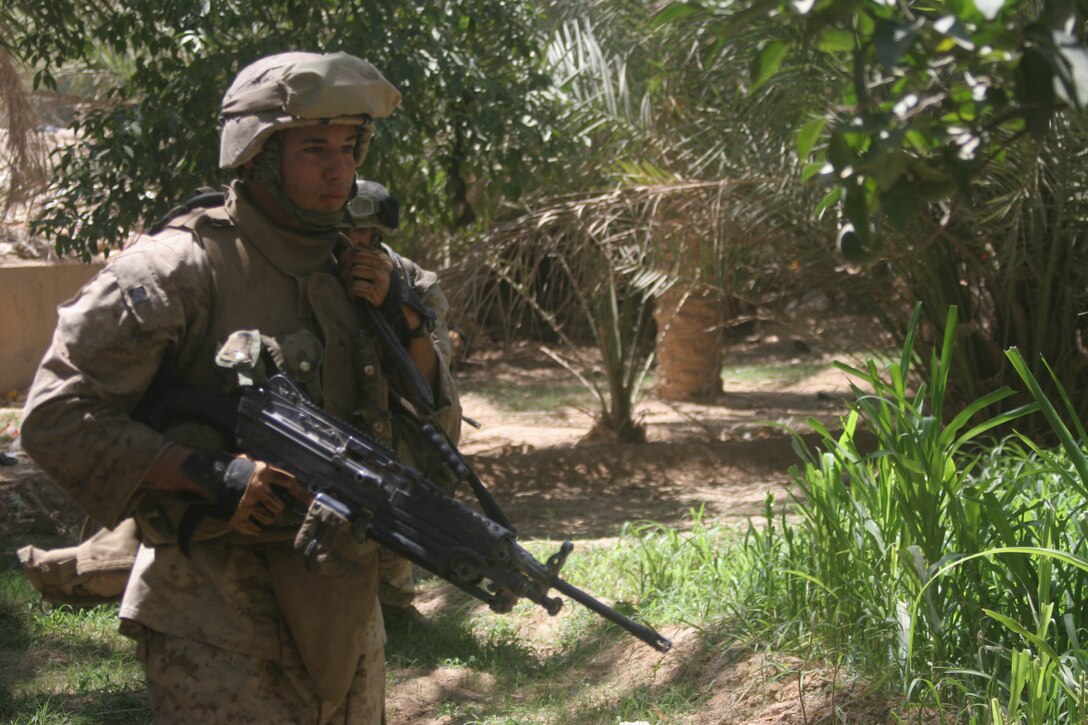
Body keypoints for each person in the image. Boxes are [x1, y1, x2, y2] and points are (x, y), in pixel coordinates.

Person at [20, 51, 461, 724]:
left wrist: (405, 324)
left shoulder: (373, 273)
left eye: (349, 145)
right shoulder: (177, 271)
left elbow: (436, 444)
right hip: (215, 615)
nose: (338, 167)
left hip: (346, 611)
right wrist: (208, 472)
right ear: (256, 155)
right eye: (314, 147)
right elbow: (56, 417)